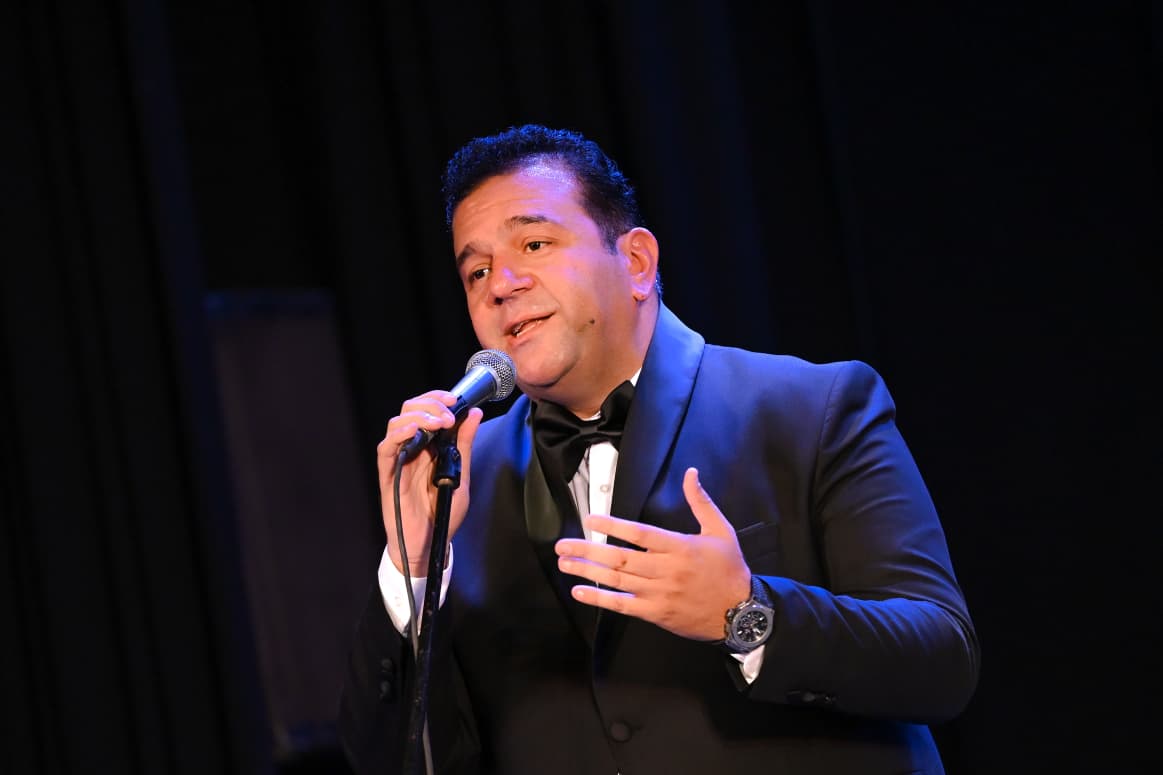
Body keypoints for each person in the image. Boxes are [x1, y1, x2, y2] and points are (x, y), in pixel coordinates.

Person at [338, 124, 979, 774]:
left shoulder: (811, 406)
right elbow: (387, 757)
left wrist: (745, 612)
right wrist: (411, 568)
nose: (500, 284)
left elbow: (941, 661)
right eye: (476, 271)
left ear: (637, 263)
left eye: (533, 243)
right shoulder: (454, 477)